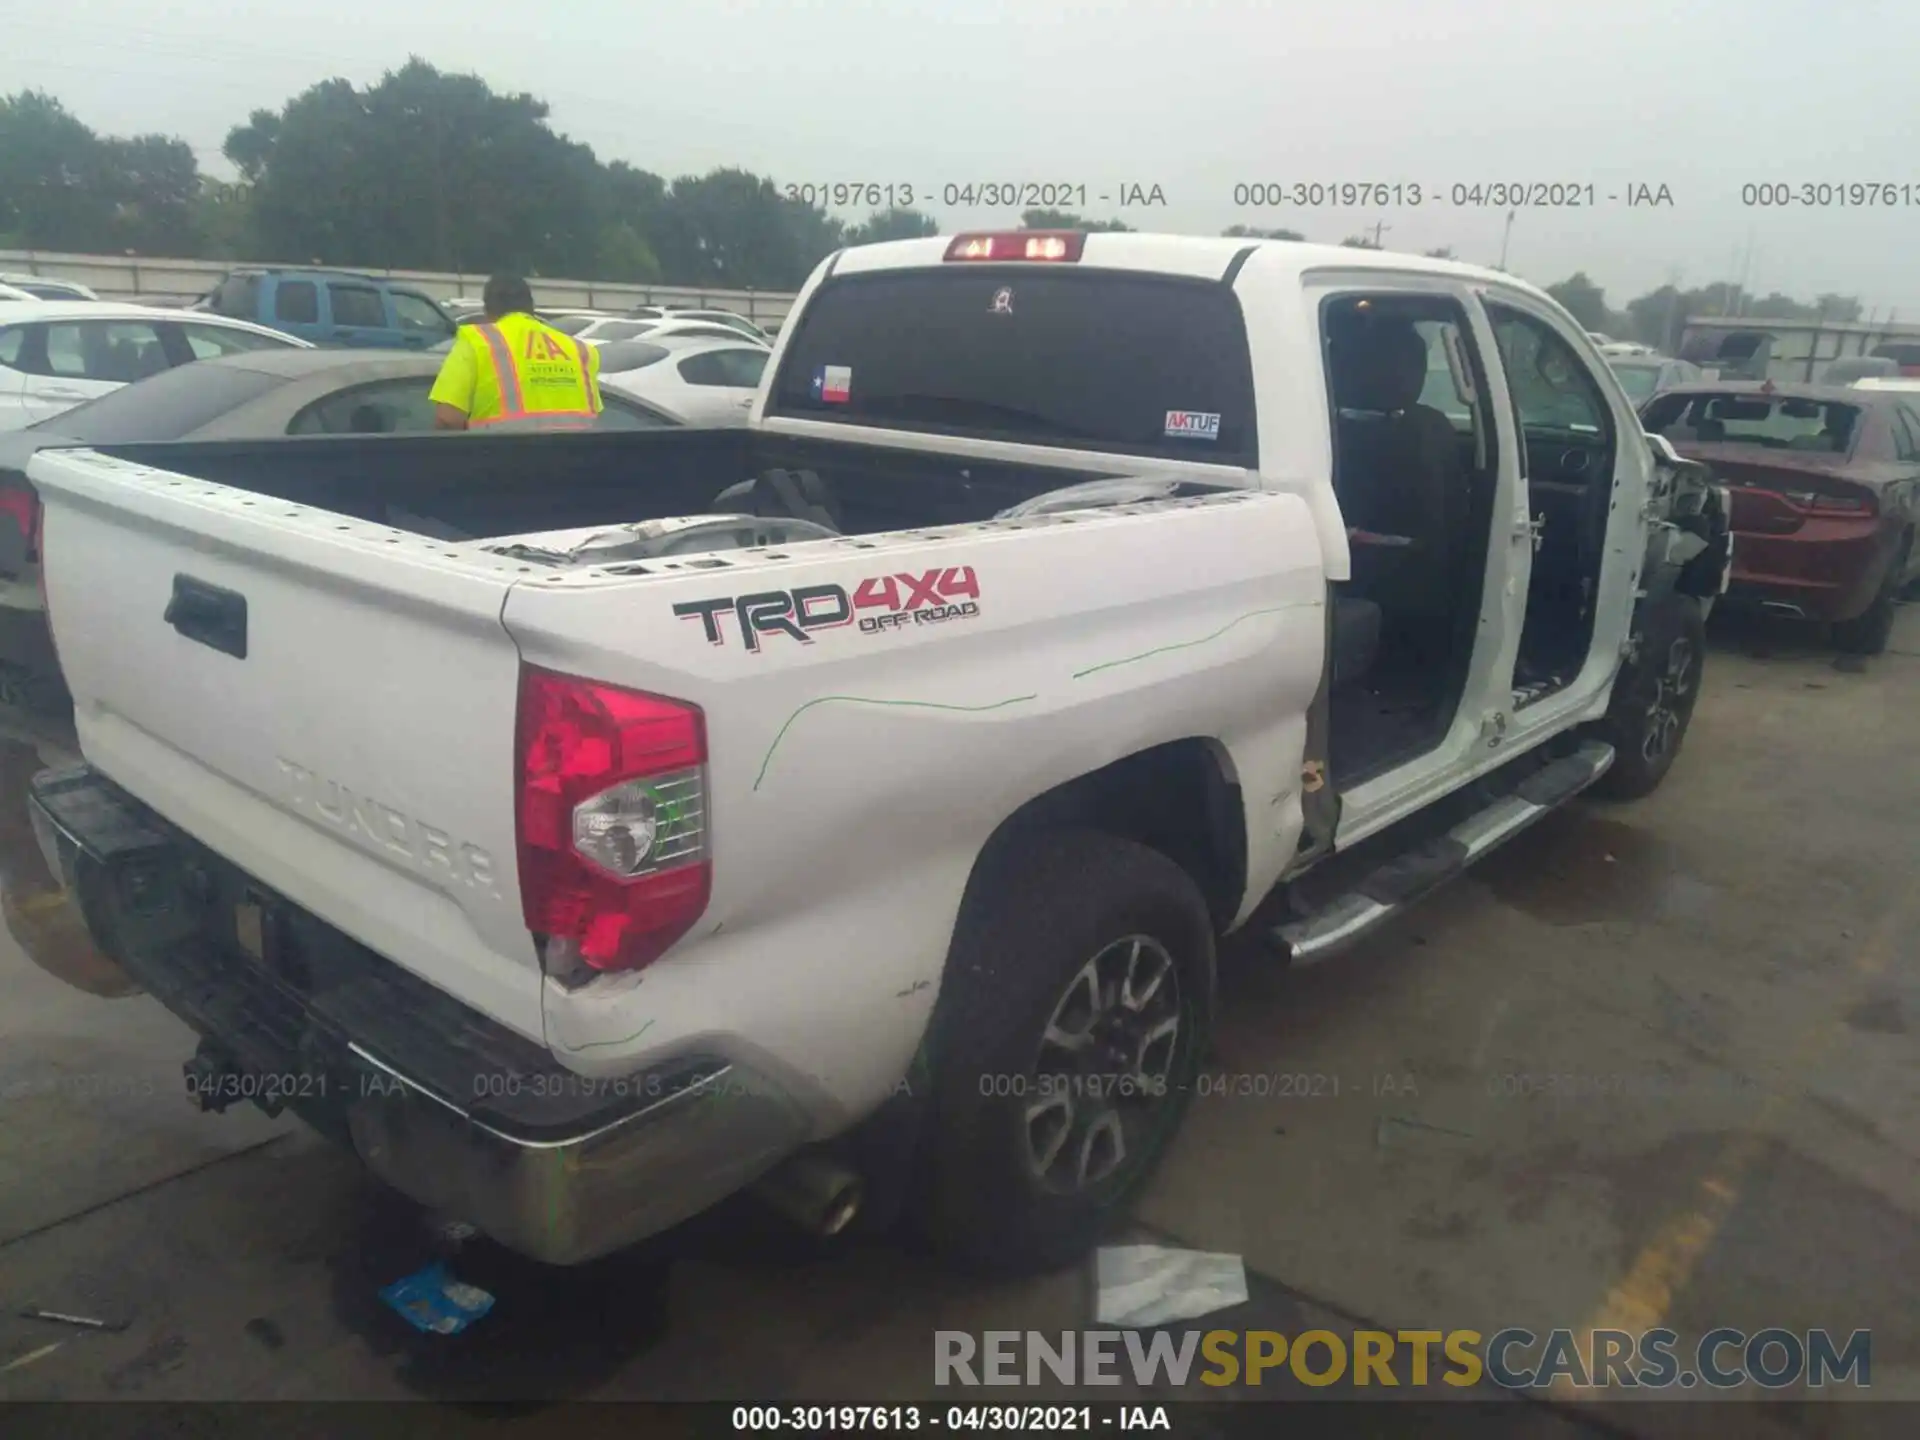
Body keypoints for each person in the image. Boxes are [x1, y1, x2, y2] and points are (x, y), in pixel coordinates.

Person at [430, 273, 603, 430]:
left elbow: (448, 417)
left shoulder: (478, 341)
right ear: (531, 307)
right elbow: (597, 417)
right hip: (578, 462)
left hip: (501, 460)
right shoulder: (580, 350)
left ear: (487, 310)